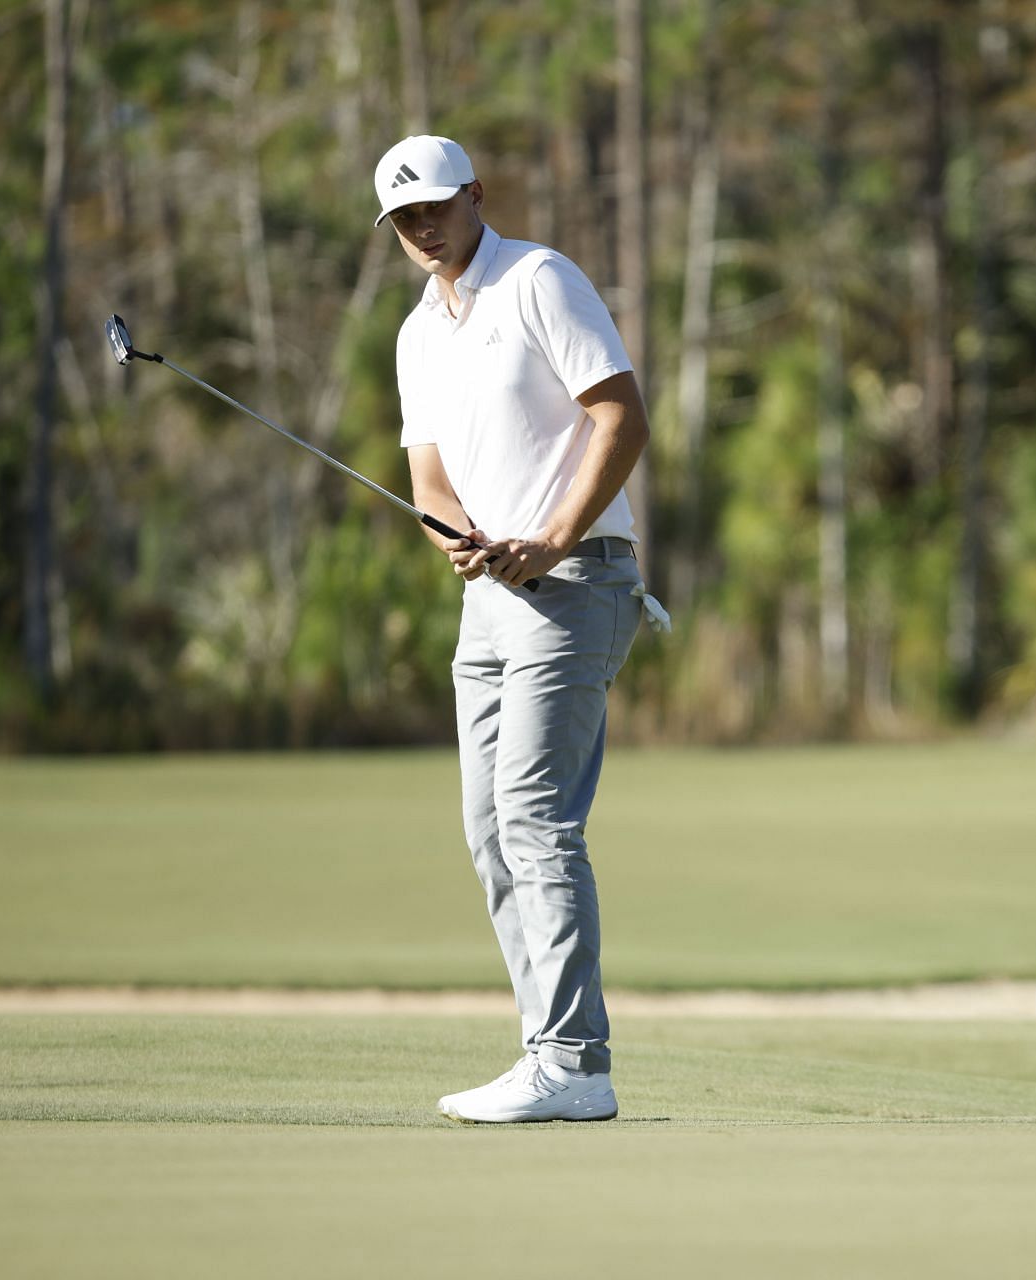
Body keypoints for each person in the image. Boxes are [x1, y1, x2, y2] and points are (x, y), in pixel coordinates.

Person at [373, 134, 667, 1123]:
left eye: (437, 208)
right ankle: (548, 1048)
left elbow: (620, 414)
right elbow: (429, 478)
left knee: (537, 816)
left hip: (580, 578)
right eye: (406, 217)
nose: (423, 228)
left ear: (475, 198)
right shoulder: (419, 331)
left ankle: (574, 1062)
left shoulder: (539, 279)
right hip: (489, 601)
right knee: (489, 829)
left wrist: (547, 537)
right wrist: (459, 539)